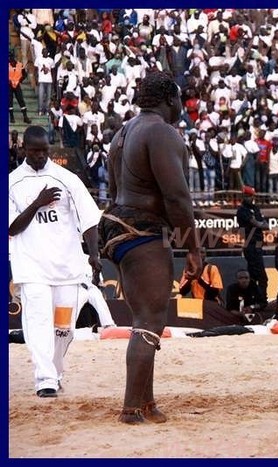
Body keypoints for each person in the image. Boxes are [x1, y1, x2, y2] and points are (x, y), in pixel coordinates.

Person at [98, 70, 203, 424]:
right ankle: (131, 408)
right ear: (170, 99)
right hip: (142, 230)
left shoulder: (121, 133)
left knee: (147, 320)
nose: (181, 108)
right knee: (149, 320)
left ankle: (146, 403)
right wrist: (192, 247)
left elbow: (114, 192)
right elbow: (177, 196)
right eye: (179, 102)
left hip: (116, 226)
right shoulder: (161, 131)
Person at [9, 125, 102, 398]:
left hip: (67, 267)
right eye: (34, 151)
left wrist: (94, 254)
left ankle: (56, 369)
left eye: (44, 150)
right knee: (38, 323)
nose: (40, 156)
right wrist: (37, 202)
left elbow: (88, 218)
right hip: (32, 267)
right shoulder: (12, 182)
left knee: (64, 328)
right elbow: (11, 228)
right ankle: (45, 378)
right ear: (23, 149)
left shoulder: (67, 178)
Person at [236, 186, 269, 304]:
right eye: (246, 196)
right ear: (243, 196)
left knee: (253, 277)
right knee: (261, 277)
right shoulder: (242, 210)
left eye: (250, 196)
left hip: (258, 245)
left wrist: (259, 224)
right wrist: (259, 224)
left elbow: (265, 225)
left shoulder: (255, 208)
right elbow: (256, 223)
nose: (248, 198)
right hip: (250, 245)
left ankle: (253, 300)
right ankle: (261, 300)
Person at [78, 254, 116, 329]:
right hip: (77, 287)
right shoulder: (73, 258)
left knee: (98, 297)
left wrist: (97, 273)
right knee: (77, 301)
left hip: (91, 287)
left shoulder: (93, 260)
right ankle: (67, 326)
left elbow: (97, 283)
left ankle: (108, 324)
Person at [9, 50, 33, 124]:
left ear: (14, 57)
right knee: (9, 101)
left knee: (21, 100)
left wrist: (19, 81)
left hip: (17, 85)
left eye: (12, 56)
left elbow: (24, 74)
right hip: (9, 86)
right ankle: (12, 117)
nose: (10, 58)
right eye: (9, 57)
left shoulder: (19, 65)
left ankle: (25, 117)